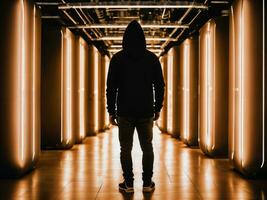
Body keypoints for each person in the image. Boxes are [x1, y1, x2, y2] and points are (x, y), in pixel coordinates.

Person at [106, 20, 165, 193]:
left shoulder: (117, 59)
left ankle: (129, 184)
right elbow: (160, 85)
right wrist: (157, 108)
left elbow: (111, 88)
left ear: (125, 38)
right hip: (146, 111)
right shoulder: (151, 59)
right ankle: (147, 183)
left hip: (124, 111)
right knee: (147, 147)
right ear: (143, 38)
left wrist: (111, 111)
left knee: (126, 148)